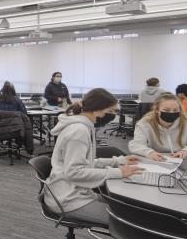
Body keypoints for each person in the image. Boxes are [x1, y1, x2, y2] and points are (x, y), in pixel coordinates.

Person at [45, 89, 143, 225]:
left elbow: (85, 163)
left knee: (125, 208)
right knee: (127, 221)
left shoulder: (83, 126)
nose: (113, 116)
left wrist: (119, 161)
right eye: (111, 111)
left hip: (74, 192)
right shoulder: (79, 131)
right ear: (97, 109)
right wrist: (118, 172)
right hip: (68, 199)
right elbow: (74, 172)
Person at [129, 93, 187, 160]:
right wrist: (149, 153)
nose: (171, 113)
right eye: (166, 110)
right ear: (156, 110)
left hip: (185, 165)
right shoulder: (145, 123)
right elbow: (135, 145)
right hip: (158, 162)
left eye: (175, 110)